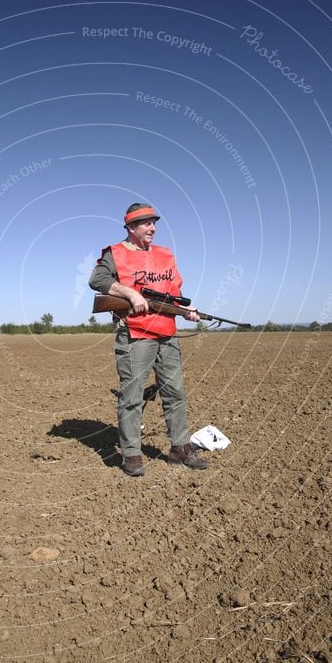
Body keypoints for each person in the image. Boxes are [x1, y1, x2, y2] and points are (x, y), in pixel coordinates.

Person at [89, 202, 208, 476]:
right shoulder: (115, 253)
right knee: (131, 396)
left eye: (154, 223)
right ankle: (131, 455)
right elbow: (98, 280)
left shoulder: (166, 255)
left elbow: (174, 292)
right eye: (146, 223)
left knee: (174, 393)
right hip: (135, 334)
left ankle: (180, 448)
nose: (153, 227)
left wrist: (187, 311)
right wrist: (130, 294)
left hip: (167, 333)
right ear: (131, 227)